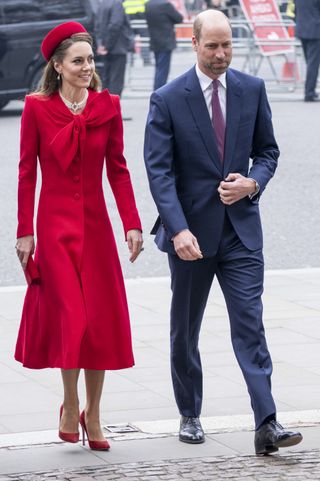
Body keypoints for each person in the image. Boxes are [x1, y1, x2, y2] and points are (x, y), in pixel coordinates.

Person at [144, 9, 303, 455]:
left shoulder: (252, 89)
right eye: (212, 45)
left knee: (250, 326)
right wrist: (177, 230)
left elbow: (268, 151)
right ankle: (190, 412)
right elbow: (159, 173)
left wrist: (255, 182)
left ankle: (267, 422)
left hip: (241, 234)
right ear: (193, 43)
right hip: (191, 237)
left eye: (227, 44)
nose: (220, 54)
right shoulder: (168, 98)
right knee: (185, 329)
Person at [15, 21, 143, 451]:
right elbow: (26, 173)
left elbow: (119, 171)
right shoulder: (36, 108)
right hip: (53, 230)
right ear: (57, 65)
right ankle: (70, 405)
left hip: (96, 229)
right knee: (73, 319)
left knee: (98, 324)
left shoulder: (107, 106)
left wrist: (131, 222)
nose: (88, 67)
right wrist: (24, 232)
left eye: (90, 59)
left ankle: (96, 412)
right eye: (78, 60)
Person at [96, 0, 134, 96]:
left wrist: (100, 44)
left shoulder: (102, 4)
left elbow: (97, 26)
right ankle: (112, 108)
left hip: (106, 48)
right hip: (117, 48)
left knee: (106, 80)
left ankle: (105, 108)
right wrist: (107, 46)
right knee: (116, 82)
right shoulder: (117, 3)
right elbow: (115, 25)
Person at [145, 0, 183, 90]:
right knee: (163, 70)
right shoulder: (165, 4)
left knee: (158, 68)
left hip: (154, 40)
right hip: (166, 40)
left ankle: (156, 90)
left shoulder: (148, 5)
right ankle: (159, 92)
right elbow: (179, 18)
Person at [294, 0, 320, 102]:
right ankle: (309, 92)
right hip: (315, 30)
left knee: (309, 62)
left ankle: (310, 90)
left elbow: (295, 11)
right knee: (313, 64)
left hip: (302, 29)